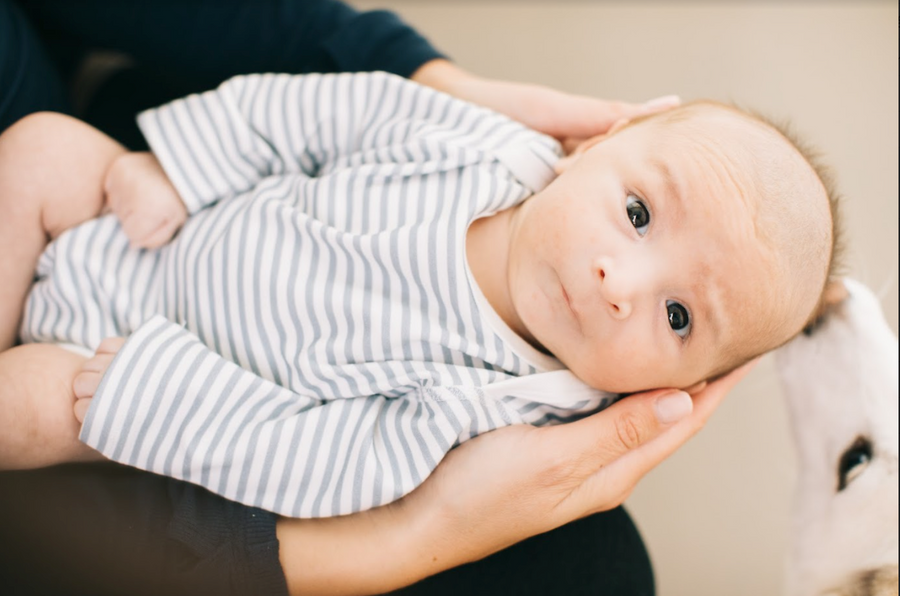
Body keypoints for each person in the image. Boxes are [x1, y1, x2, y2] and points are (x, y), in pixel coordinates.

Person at [0, 1, 764, 593]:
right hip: (151, 227)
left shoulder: (504, 405)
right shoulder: (487, 144)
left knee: (28, 410)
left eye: (678, 316)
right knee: (42, 147)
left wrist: (156, 396)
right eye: (637, 214)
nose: (620, 285)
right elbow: (318, 114)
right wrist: (182, 168)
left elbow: (321, 461)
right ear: (595, 147)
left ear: (672, 387)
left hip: (122, 369)